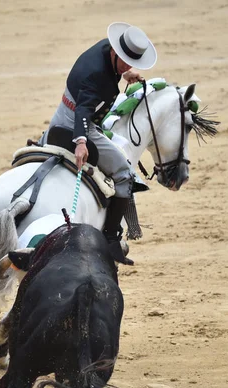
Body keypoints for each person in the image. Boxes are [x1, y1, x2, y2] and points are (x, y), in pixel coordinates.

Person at [43, 22, 157, 265]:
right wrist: (81, 142)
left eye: (131, 62)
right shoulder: (97, 74)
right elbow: (83, 111)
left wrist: (124, 73)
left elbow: (101, 80)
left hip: (61, 114)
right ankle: (111, 238)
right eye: (124, 61)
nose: (128, 65)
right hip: (77, 122)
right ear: (115, 51)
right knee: (124, 173)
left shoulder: (107, 49)